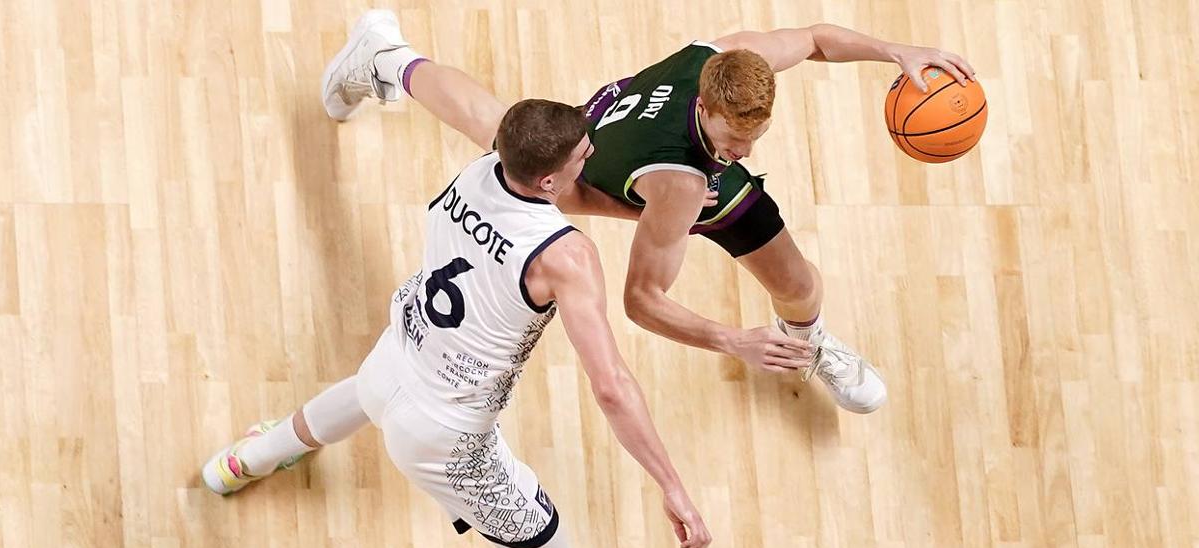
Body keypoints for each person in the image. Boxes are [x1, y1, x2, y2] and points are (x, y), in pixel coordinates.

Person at [200, 96, 718, 548]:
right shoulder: (568, 257)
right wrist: (673, 488)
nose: (594, 155)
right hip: (446, 437)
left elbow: (540, 185)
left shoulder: (482, 167)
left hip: (400, 350)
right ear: (549, 180)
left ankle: (246, 459)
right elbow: (610, 386)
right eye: (585, 152)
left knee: (365, 392)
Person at [321, 11, 976, 413]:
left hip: (600, 125)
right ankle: (790, 345)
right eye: (730, 140)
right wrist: (730, 338)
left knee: (499, 124)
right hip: (636, 176)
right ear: (705, 110)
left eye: (753, 138)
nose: (742, 150)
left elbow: (813, 38)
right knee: (508, 140)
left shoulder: (720, 61)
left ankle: (386, 54)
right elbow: (640, 299)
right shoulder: (681, 184)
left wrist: (897, 52)